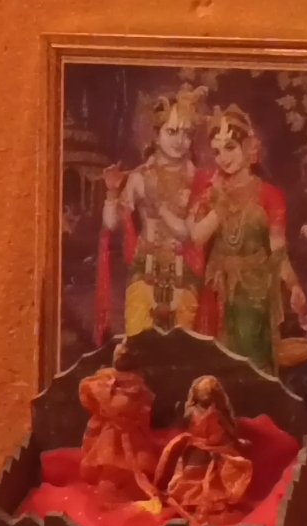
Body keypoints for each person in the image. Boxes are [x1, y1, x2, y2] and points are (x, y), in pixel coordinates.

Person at [165, 104, 307, 373]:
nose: (223, 158)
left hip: (256, 293)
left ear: (249, 147)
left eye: (230, 147)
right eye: (217, 151)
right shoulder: (211, 193)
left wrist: (294, 285)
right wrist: (219, 202)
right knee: (218, 365)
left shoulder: (269, 195)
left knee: (252, 364)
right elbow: (197, 237)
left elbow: (277, 249)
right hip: (218, 289)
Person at [94, 84, 209, 345]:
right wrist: (112, 193)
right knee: (138, 347)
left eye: (186, 134)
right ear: (156, 135)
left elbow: (187, 234)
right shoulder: (139, 177)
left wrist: (158, 202)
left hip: (183, 274)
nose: (179, 141)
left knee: (181, 350)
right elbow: (111, 223)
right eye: (171, 131)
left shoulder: (198, 180)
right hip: (144, 271)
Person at [154, 376, 252, 526]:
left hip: (218, 448)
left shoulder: (217, 413)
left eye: (209, 393)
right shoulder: (191, 412)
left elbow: (229, 429)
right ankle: (189, 500)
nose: (206, 397)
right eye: (203, 393)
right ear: (196, 394)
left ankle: (212, 502)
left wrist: (238, 441)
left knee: (218, 477)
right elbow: (182, 423)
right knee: (191, 472)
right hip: (198, 446)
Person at [78, 341, 159, 504]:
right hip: (110, 436)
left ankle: (126, 492)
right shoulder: (104, 379)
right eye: (118, 353)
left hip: (131, 438)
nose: (118, 356)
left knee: (131, 471)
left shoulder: (137, 386)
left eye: (123, 355)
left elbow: (130, 408)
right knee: (110, 469)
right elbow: (89, 396)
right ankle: (112, 492)